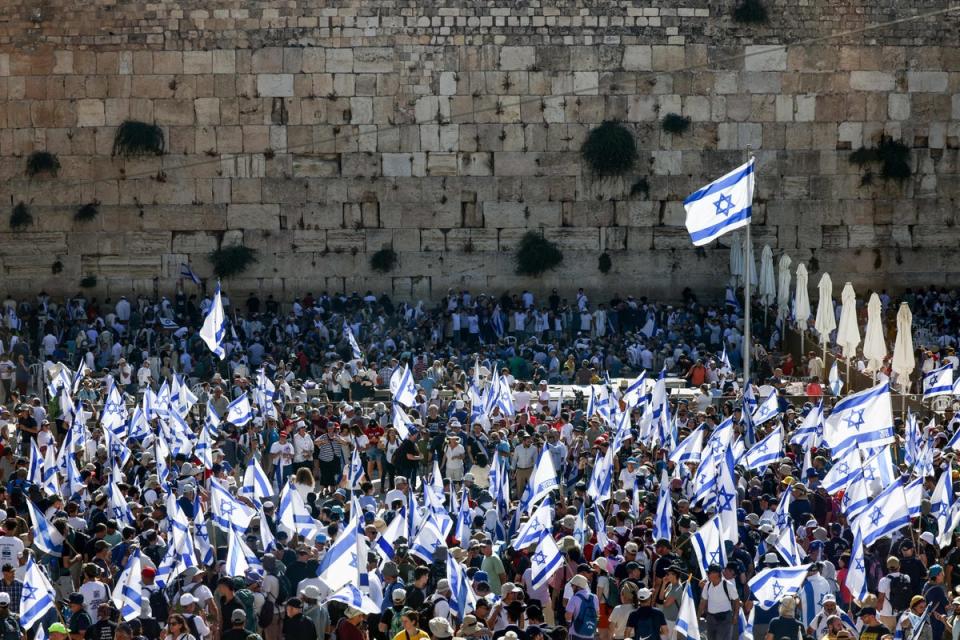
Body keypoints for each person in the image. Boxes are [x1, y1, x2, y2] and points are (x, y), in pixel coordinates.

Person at [698, 564, 739, 640]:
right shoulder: (707, 585)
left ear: (716, 574)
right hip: (710, 619)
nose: (707, 575)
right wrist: (697, 618)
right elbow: (702, 602)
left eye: (709, 573)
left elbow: (736, 600)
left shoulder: (728, 585)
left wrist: (735, 616)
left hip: (724, 619)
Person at [566, 574, 599, 640]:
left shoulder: (574, 598)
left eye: (572, 585)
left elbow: (568, 615)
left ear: (577, 586)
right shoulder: (595, 597)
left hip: (575, 633)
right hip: (590, 633)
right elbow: (597, 614)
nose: (571, 587)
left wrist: (569, 625)